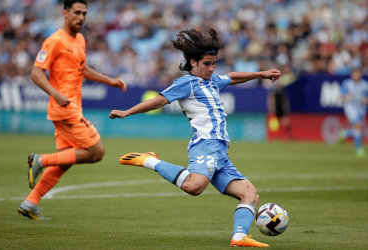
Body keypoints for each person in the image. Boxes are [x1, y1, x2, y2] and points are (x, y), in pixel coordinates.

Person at [109, 28, 280, 247]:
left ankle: (239, 237)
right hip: (205, 146)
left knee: (250, 194)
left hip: (220, 153)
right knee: (194, 187)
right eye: (207, 64)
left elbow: (232, 77)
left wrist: (261, 74)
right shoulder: (186, 84)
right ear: (193, 62)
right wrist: (127, 112)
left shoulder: (212, 82)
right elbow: (159, 101)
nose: (211, 68)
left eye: (214, 63)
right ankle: (149, 160)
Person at [17, 0, 127, 220]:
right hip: (66, 109)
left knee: (65, 161)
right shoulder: (55, 41)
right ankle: (39, 160)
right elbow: (36, 73)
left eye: (84, 13)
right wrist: (56, 94)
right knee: (97, 152)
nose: (81, 17)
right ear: (65, 13)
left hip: (69, 107)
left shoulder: (80, 40)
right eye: (77, 12)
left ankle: (30, 203)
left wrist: (108, 80)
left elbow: (81, 67)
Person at [339, 68, 368, 157]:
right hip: (350, 108)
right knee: (358, 124)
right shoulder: (347, 84)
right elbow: (341, 98)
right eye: (355, 74)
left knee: (359, 130)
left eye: (358, 73)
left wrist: (365, 100)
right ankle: (358, 149)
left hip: (361, 109)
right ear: (352, 75)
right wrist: (348, 97)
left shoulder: (364, 85)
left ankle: (345, 133)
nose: (356, 75)